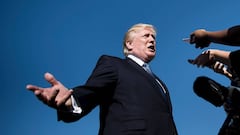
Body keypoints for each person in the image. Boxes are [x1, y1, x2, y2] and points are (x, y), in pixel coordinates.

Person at [26, 23, 178, 135]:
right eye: (146, 36)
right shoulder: (113, 64)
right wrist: (70, 101)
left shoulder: (159, 82)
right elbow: (92, 91)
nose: (152, 40)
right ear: (129, 44)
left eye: (154, 37)